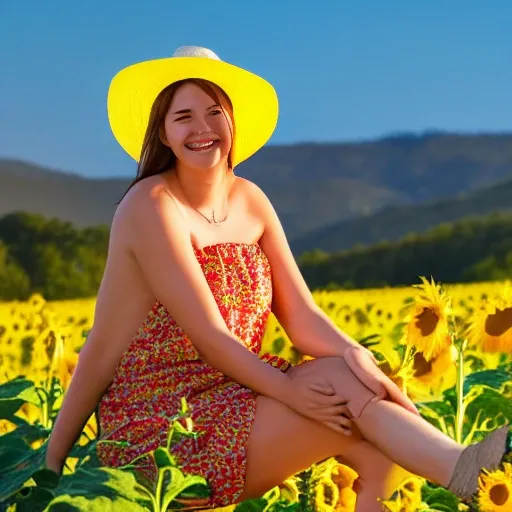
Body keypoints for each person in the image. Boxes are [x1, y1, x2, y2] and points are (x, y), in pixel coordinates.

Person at [44, 46, 511, 511]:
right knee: (349, 400)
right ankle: (467, 472)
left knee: (366, 423)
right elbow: (205, 335)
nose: (202, 129)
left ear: (233, 121)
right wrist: (50, 470)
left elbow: (302, 316)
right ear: (162, 133)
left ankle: (465, 471)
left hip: (238, 396)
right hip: (166, 426)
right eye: (183, 116)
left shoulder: (251, 200)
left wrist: (357, 354)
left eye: (214, 112)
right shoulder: (151, 205)